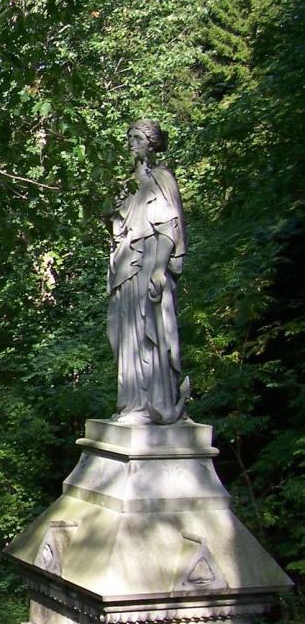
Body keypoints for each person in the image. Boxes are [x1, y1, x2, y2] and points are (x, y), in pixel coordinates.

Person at [105, 118, 190, 424]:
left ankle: (153, 404)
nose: (131, 142)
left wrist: (158, 270)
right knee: (121, 332)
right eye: (130, 137)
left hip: (148, 270)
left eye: (137, 137)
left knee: (147, 334)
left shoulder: (161, 179)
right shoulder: (128, 184)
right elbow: (119, 228)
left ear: (151, 143)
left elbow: (169, 226)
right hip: (126, 271)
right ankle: (131, 403)